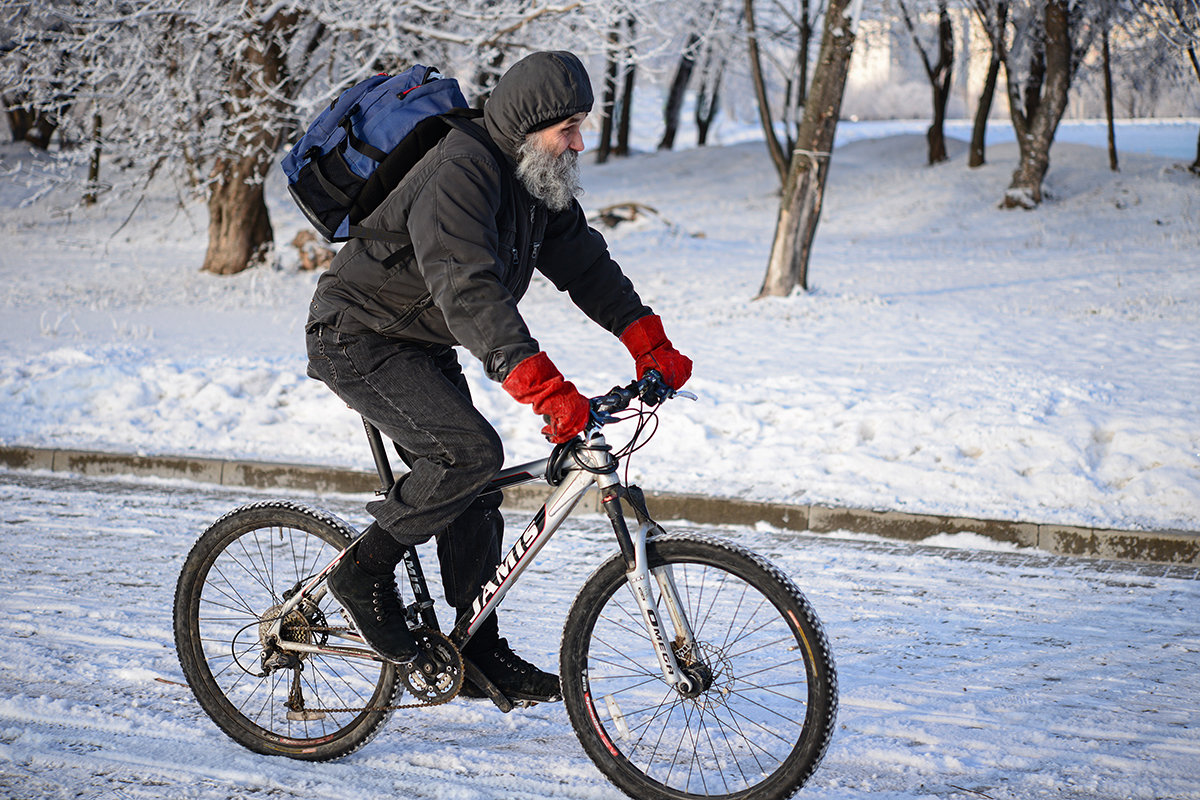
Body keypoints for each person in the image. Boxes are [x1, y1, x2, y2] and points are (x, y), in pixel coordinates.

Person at [304, 51, 692, 704]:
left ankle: (476, 646)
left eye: (582, 124)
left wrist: (647, 341)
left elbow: (585, 265)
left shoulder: (536, 179)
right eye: (567, 127)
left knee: (474, 481)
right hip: (358, 336)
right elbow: (469, 290)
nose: (579, 140)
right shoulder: (460, 167)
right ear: (527, 123)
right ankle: (362, 575)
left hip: (418, 338)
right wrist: (545, 389)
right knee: (468, 454)